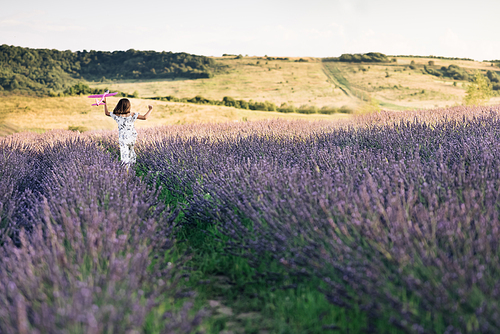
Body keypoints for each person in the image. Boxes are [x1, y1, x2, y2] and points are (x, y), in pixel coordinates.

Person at [103, 97, 153, 166]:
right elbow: (145, 117)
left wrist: (104, 103)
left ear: (119, 106)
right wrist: (150, 109)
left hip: (123, 138)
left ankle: (126, 169)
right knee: (131, 151)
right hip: (131, 137)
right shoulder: (132, 114)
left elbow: (106, 113)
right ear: (128, 106)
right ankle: (132, 166)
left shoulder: (117, 115)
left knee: (124, 154)